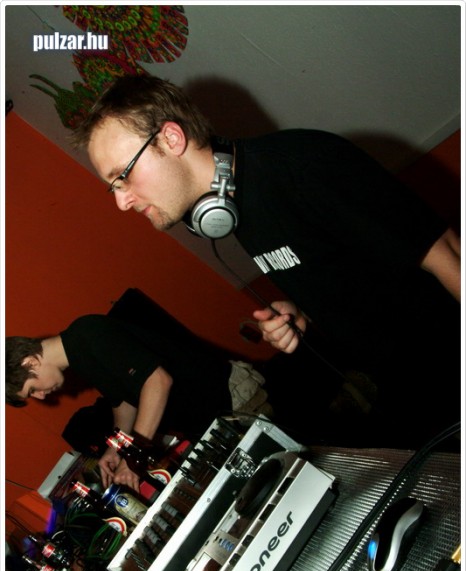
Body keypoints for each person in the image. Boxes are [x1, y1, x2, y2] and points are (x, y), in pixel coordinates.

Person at [71, 74, 461, 445]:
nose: (122, 202)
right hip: (406, 390)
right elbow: (349, 269)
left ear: (171, 138)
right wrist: (301, 314)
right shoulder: (232, 210)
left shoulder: (301, 164)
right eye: (113, 188)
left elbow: (445, 252)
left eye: (123, 176)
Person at [5, 314, 272, 490]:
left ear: (30, 363)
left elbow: (157, 381)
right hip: (210, 415)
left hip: (230, 397)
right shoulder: (78, 357)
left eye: (32, 390)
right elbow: (123, 402)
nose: (41, 397)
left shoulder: (89, 333)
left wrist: (134, 456)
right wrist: (116, 447)